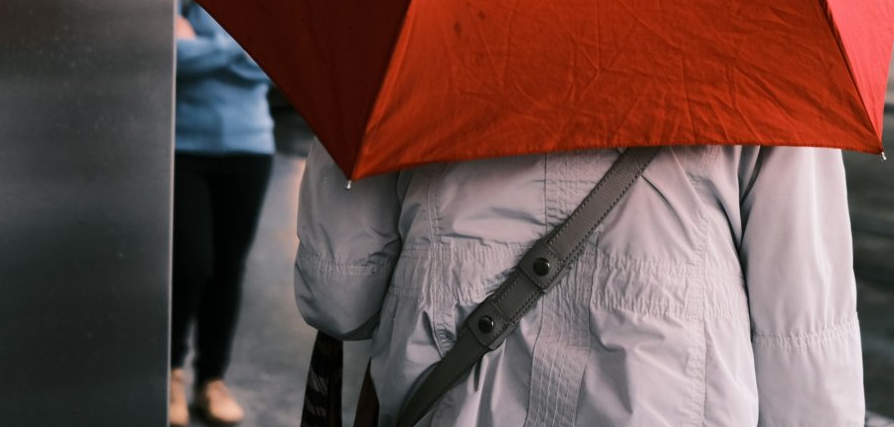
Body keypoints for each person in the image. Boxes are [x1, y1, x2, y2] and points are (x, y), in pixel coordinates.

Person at [295, 141, 864, 426]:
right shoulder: (770, 33)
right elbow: (804, 344)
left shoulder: (412, 4)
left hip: (450, 398)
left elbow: (339, 299)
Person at [170, 0, 275, 426]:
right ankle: (172, 372)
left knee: (229, 269)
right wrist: (239, 45)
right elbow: (171, 58)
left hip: (250, 150)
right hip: (183, 149)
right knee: (190, 265)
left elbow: (271, 67)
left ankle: (211, 379)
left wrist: (205, 44)